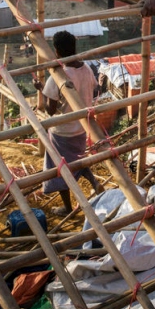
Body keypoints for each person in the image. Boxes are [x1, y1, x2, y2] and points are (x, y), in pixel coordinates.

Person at [32, 31, 100, 216]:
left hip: (62, 131)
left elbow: (50, 110)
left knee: (60, 168)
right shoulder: (86, 69)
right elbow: (93, 89)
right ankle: (95, 182)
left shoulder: (59, 76)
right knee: (78, 159)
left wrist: (41, 91)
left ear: (56, 51)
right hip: (82, 128)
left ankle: (67, 208)